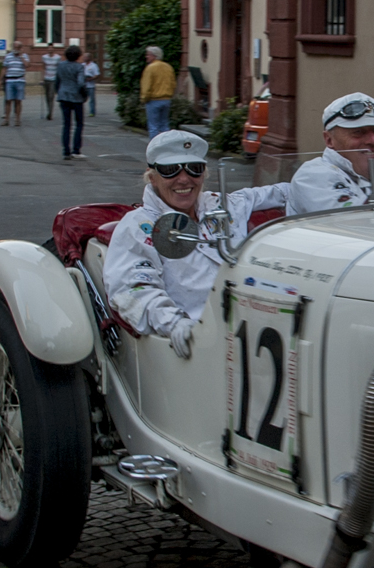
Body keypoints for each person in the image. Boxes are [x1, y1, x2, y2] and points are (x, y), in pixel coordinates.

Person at [103, 131, 290, 358]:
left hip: (253, 333)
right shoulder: (138, 226)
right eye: (170, 170)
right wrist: (174, 323)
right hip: (197, 344)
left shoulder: (221, 204)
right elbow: (132, 289)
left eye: (194, 168)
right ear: (152, 177)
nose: (184, 179)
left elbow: (281, 193)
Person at [55, 45, 88, 159]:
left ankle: (66, 150)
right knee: (79, 123)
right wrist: (85, 94)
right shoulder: (79, 67)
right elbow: (80, 83)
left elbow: (57, 80)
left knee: (66, 124)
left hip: (63, 95)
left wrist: (58, 91)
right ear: (78, 55)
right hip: (76, 97)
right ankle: (76, 149)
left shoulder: (60, 65)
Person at [140, 46, 174, 139]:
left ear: (154, 56)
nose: (146, 56)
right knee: (164, 125)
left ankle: (154, 147)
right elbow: (173, 83)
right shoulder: (168, 67)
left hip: (153, 99)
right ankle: (166, 145)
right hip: (166, 99)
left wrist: (144, 98)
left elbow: (147, 85)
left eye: (148, 55)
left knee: (153, 126)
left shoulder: (150, 68)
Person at [0, 42, 28, 126]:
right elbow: (4, 68)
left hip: (20, 80)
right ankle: (6, 119)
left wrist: (21, 56)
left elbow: (27, 65)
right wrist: (0, 79)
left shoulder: (24, 56)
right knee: (8, 100)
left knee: (18, 101)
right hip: (9, 80)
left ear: (20, 48)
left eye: (18, 47)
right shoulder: (8, 56)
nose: (16, 49)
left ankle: (17, 119)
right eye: (15, 47)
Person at [42, 47, 62, 120]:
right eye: (48, 48)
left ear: (53, 49)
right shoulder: (44, 57)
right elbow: (43, 68)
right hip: (46, 78)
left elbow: (59, 68)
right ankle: (49, 110)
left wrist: (59, 79)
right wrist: (42, 78)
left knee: (51, 96)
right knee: (47, 96)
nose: (50, 49)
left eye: (51, 48)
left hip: (53, 79)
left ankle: (50, 113)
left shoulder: (58, 57)